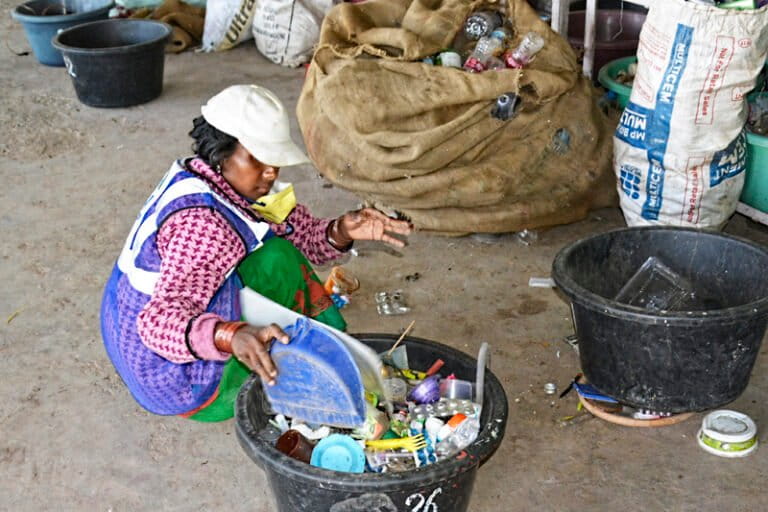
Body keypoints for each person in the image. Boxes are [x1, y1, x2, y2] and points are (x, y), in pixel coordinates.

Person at [100, 85, 411, 422]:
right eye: (258, 157)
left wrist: (343, 230)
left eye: (273, 160)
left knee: (275, 252)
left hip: (123, 325)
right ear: (221, 152)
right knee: (275, 260)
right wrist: (230, 335)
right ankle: (306, 362)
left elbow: (300, 234)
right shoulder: (204, 228)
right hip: (172, 378)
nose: (271, 172)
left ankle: (317, 347)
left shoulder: (208, 177)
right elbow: (157, 324)